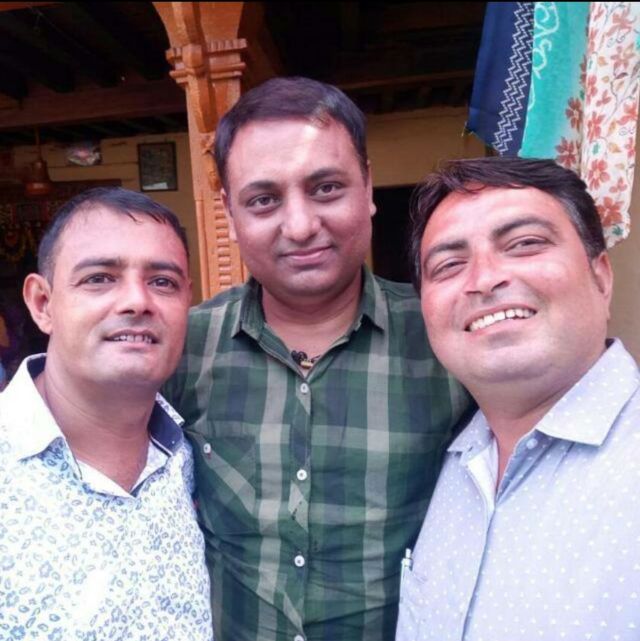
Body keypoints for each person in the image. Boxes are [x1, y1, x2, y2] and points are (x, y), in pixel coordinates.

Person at [163, 77, 472, 641]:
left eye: (326, 188)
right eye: (264, 200)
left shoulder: (446, 336)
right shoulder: (185, 347)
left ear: (368, 186)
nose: (301, 226)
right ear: (230, 213)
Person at [396, 157, 640, 641]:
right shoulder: (454, 462)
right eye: (448, 265)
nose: (485, 279)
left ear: (601, 276)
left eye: (525, 243)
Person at [0, 188, 213, 641]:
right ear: (42, 303)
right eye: (99, 278)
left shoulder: (186, 455)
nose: (137, 301)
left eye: (163, 282)